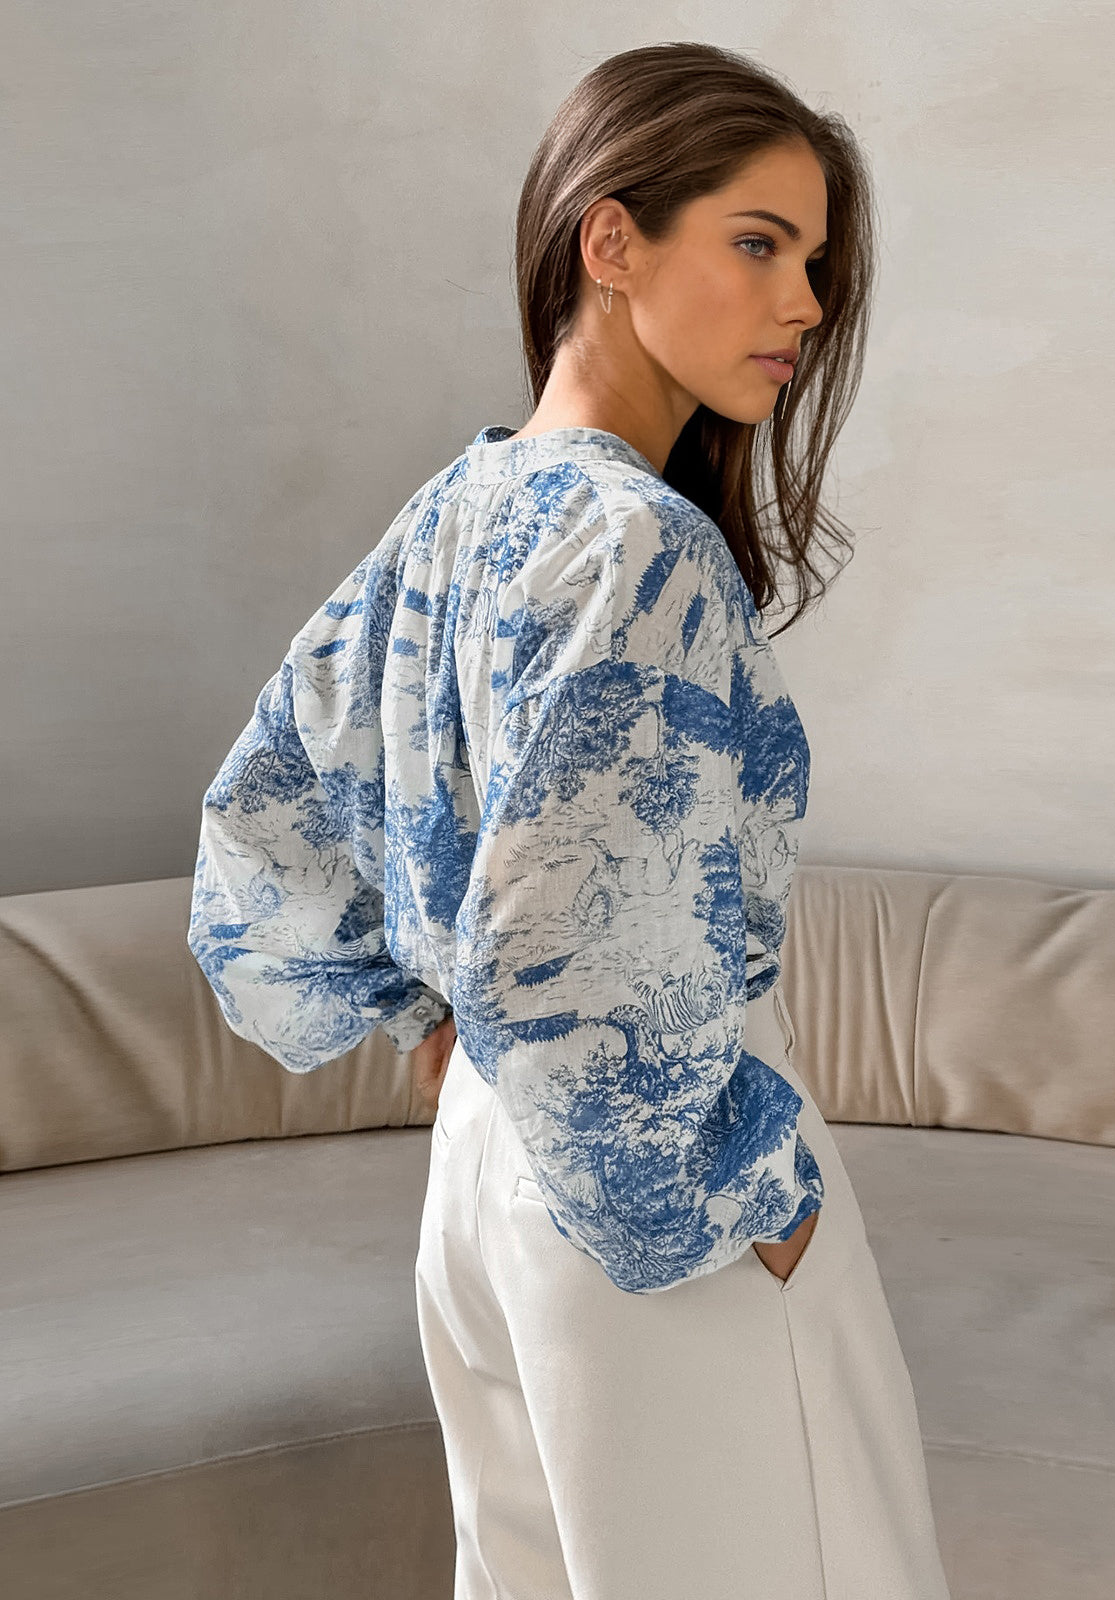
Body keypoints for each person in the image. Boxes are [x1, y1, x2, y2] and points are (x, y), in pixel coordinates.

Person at [187, 40, 953, 1600]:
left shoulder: (457, 511)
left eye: (815, 262)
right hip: (648, 1181)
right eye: (760, 244)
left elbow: (270, 820)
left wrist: (438, 1016)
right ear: (613, 243)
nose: (807, 302)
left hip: (484, 1178)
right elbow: (579, 935)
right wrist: (733, 1195)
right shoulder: (638, 542)